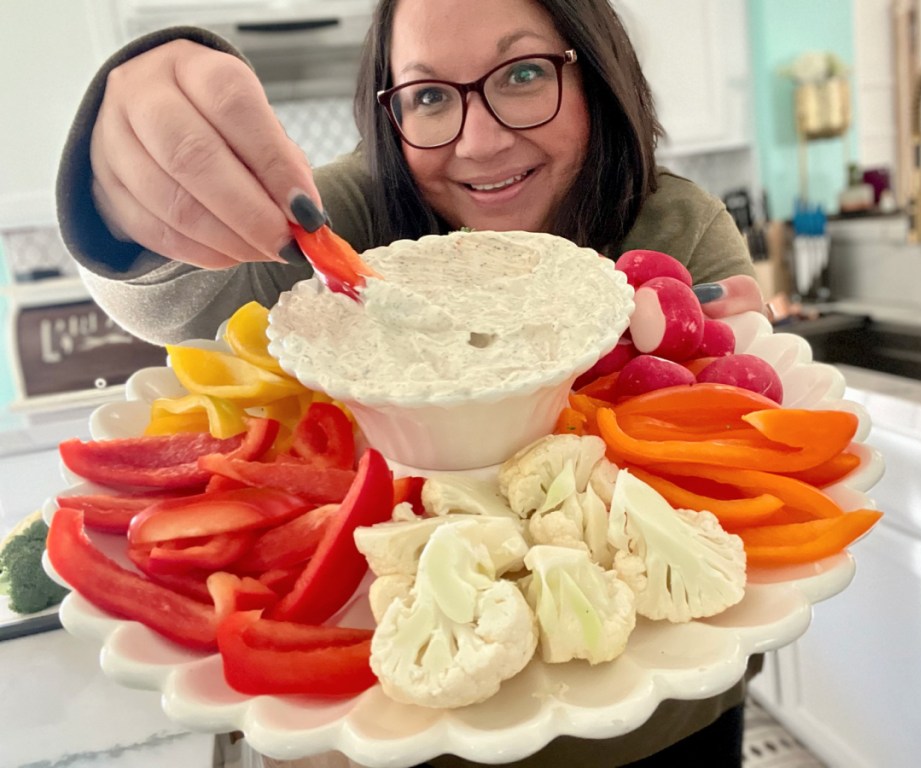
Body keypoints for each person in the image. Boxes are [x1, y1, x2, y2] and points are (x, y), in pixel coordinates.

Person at [56, 0, 763, 765]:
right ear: (389, 110)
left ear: (595, 72)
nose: (481, 142)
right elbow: (176, 299)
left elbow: (750, 543)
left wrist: (734, 374)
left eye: (523, 74)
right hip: (365, 747)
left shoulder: (679, 224)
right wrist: (122, 184)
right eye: (428, 96)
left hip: (658, 739)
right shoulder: (350, 214)